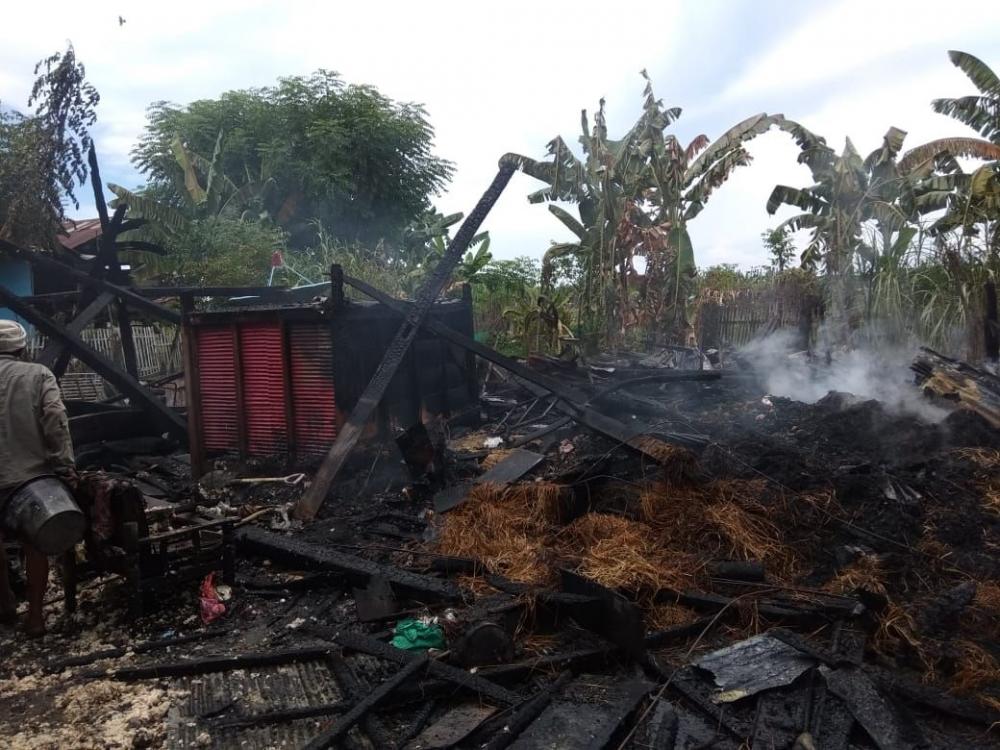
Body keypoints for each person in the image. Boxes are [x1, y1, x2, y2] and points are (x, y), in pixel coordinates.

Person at [0, 319, 78, 636]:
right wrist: (64, 465)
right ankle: (35, 617)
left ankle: (5, 606)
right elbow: (55, 419)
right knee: (35, 546)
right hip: (30, 480)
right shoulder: (37, 375)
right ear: (22, 348)